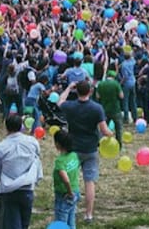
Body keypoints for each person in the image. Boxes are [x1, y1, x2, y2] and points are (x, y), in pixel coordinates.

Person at [58, 80, 113, 223]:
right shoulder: (97, 108)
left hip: (73, 149)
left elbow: (60, 102)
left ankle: (71, 209)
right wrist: (111, 135)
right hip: (90, 149)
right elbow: (104, 130)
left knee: (71, 180)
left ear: (77, 91)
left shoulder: (70, 106)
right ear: (90, 91)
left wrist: (69, 88)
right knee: (89, 182)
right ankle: (88, 215)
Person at [0, 114, 43, 229]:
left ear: (6, 127)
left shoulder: (0, 148)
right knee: (24, 223)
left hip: (9, 191)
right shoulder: (32, 142)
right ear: (21, 126)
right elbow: (37, 158)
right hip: (28, 189)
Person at [53, 129, 80, 229]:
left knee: (61, 222)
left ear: (58, 144)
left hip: (64, 195)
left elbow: (65, 179)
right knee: (71, 220)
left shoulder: (60, 161)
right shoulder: (74, 155)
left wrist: (69, 192)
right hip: (75, 191)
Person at [96, 69, 124, 146]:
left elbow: (97, 96)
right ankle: (119, 144)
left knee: (103, 128)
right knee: (118, 128)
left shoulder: (101, 84)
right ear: (114, 77)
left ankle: (100, 143)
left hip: (104, 109)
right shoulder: (116, 84)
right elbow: (121, 96)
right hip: (115, 109)